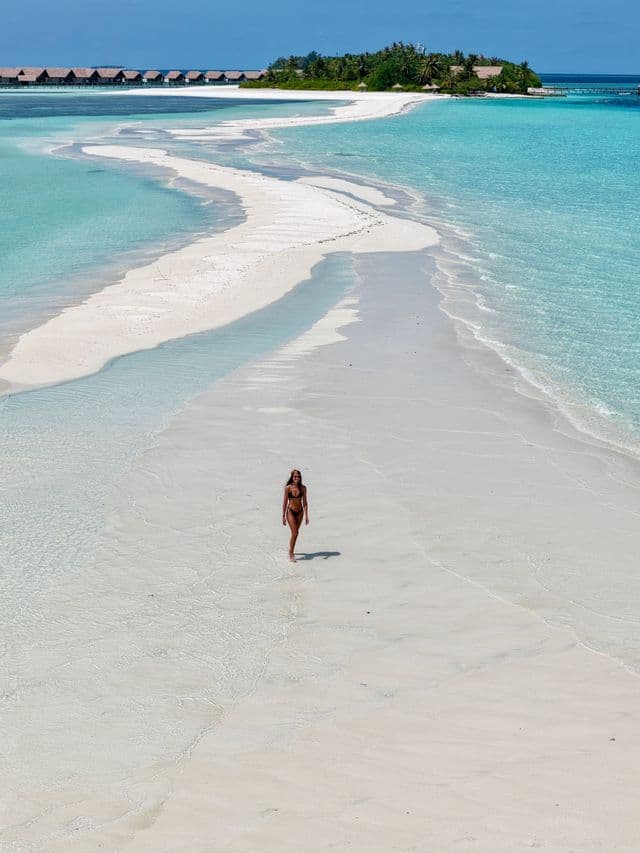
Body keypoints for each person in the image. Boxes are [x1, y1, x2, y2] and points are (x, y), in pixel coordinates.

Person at [282, 469, 309, 562]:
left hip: (300, 512)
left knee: (295, 534)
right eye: (295, 476)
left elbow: (305, 502)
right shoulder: (288, 488)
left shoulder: (303, 488)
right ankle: (291, 553)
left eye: (298, 476)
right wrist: (283, 516)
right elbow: (285, 502)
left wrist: (306, 515)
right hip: (291, 511)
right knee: (295, 533)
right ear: (292, 477)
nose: (296, 478)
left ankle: (291, 548)